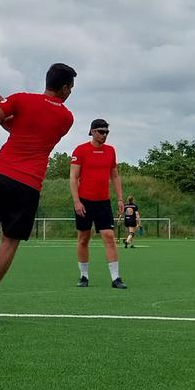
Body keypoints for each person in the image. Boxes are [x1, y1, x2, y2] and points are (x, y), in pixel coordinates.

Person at [0, 62, 76, 324]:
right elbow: (28, 129)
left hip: (1, 174)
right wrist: (9, 114)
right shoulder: (67, 118)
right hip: (29, 184)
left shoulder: (21, 99)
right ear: (65, 88)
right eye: (71, 89)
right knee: (10, 242)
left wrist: (4, 106)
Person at [70, 118, 127, 288]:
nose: (104, 135)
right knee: (83, 239)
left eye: (107, 132)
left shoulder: (110, 151)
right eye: (101, 132)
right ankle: (84, 276)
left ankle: (116, 278)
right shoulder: (81, 150)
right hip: (84, 202)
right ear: (93, 132)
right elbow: (73, 177)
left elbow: (115, 176)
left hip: (103, 202)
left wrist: (120, 199)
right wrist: (76, 201)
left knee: (109, 237)